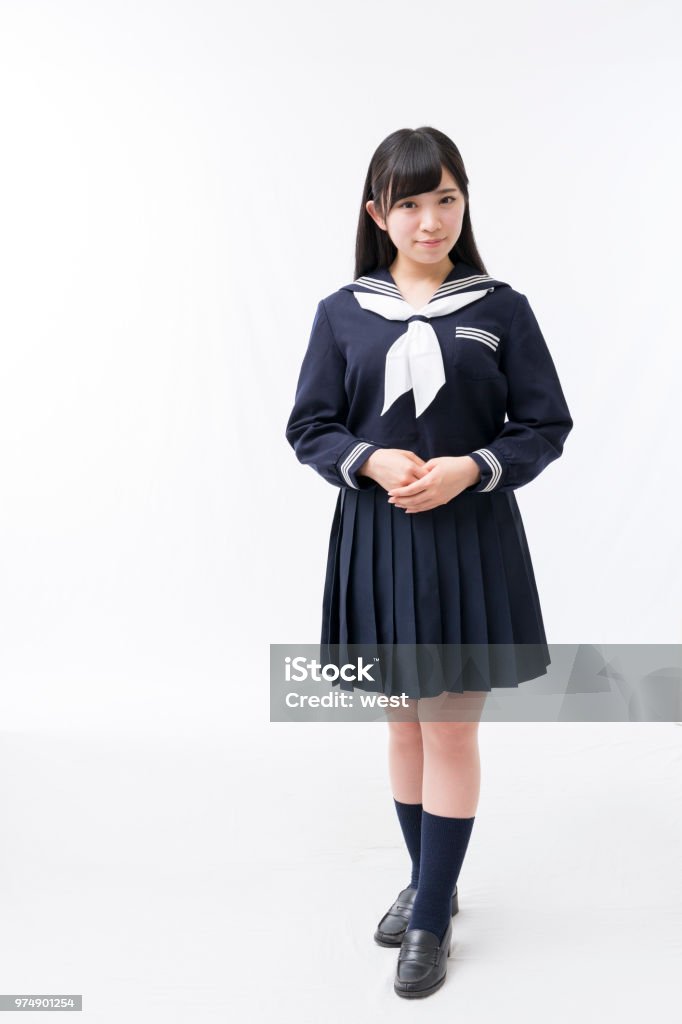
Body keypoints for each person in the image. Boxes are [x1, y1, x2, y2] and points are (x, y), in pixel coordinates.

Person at [284, 126, 573, 999]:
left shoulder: (501, 309)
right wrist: (368, 459)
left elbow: (544, 426)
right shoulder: (343, 312)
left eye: (445, 198)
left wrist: (472, 468)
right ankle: (428, 883)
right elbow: (310, 426)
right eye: (409, 203)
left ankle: (432, 913)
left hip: (470, 536)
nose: (429, 219)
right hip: (377, 538)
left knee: (450, 727)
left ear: (463, 202)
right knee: (403, 725)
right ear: (378, 213)